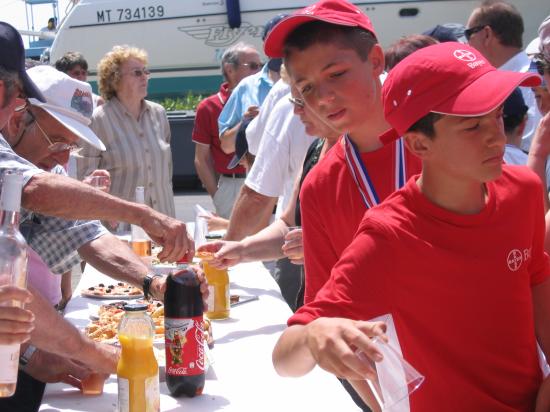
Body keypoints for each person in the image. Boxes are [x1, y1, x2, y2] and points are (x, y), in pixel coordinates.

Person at [273, 41, 550, 412]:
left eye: (497, 115)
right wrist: (312, 335)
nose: (496, 136)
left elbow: (536, 284)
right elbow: (283, 358)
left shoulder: (525, 192)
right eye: (472, 126)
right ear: (419, 144)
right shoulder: (387, 236)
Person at [263, 0, 422, 306]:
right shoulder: (319, 186)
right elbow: (323, 309)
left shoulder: (439, 144)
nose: (323, 98)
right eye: (306, 88)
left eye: (335, 74)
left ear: (376, 60)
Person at [199, 92, 340, 311]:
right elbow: (287, 225)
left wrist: (319, 243)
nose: (295, 111)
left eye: (303, 100)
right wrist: (240, 249)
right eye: (295, 101)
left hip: (360, 310)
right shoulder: (315, 149)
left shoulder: (369, 149)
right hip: (320, 303)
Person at [77, 45, 176, 219]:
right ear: (115, 80)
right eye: (137, 73)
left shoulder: (159, 114)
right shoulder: (98, 120)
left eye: (146, 72)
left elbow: (166, 171)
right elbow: (85, 179)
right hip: (124, 227)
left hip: (164, 220)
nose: (145, 77)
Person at [192, 42, 261, 219]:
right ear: (230, 70)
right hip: (230, 186)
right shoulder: (208, 107)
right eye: (253, 66)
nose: (260, 71)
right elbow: (202, 158)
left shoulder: (267, 97)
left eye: (261, 66)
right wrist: (217, 194)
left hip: (263, 178)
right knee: (232, 244)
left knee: (267, 242)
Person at [465, 0, 541, 151]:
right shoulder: (532, 75)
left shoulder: (529, 81)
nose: (467, 44)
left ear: (487, 34)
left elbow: (531, 144)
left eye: (469, 34)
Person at [217, 14, 287, 155]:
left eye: (288, 38)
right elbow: (226, 146)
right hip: (260, 174)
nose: (282, 44)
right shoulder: (247, 86)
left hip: (305, 174)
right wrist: (245, 123)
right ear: (265, 44)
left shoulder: (312, 82)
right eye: (275, 38)